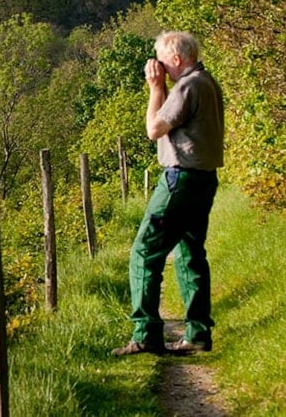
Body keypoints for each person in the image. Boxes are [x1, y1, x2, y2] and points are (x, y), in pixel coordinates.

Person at [111, 31, 225, 356]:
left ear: (176, 59)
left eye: (161, 60)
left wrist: (156, 88)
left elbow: (153, 129)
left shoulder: (186, 87)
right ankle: (198, 334)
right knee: (190, 254)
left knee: (144, 252)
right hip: (204, 179)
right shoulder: (208, 81)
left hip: (181, 179)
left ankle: (145, 333)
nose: (157, 66)